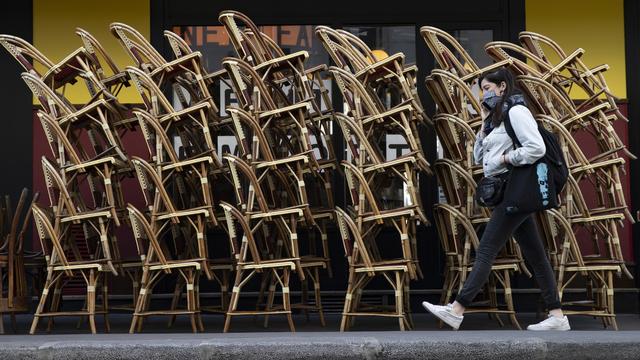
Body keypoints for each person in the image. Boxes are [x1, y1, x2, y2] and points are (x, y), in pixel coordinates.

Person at [422, 68, 570, 331]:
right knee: (536, 255)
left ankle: (457, 309)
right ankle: (557, 315)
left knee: (487, 249)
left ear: (502, 87)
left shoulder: (516, 111)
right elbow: (479, 159)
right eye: (482, 90)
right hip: (508, 191)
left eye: (488, 89)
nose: (484, 94)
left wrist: (506, 159)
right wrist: (483, 122)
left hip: (516, 189)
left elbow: (537, 147)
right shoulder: (496, 118)